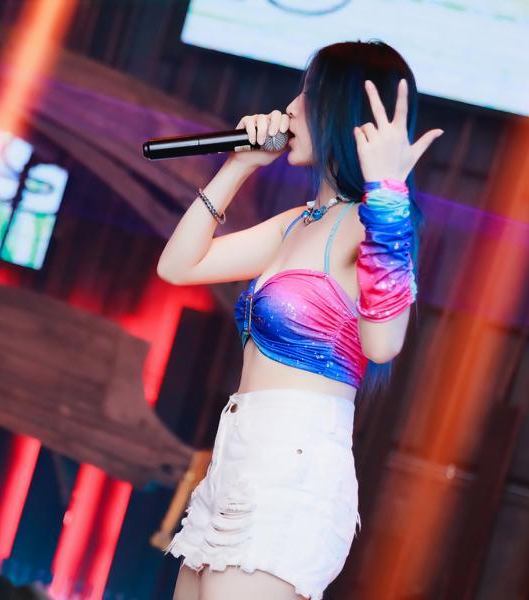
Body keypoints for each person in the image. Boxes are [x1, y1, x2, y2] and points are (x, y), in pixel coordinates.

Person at [157, 40, 442, 600]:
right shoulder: (300, 222)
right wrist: (240, 164)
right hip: (237, 459)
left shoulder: (375, 223)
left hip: (291, 471)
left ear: (341, 112)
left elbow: (383, 343)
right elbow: (178, 266)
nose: (289, 109)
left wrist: (388, 195)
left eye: (308, 95)